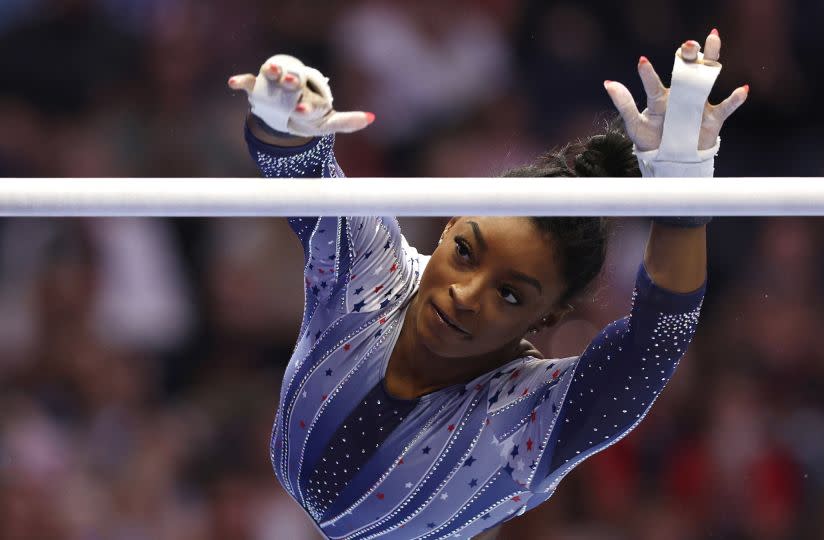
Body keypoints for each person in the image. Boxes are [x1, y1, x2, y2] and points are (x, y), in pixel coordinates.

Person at [227, 30, 746, 540]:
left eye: (511, 294)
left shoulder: (530, 414)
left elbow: (653, 345)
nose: (467, 295)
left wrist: (683, 196)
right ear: (449, 225)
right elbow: (300, 168)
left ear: (546, 318)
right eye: (466, 253)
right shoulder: (371, 272)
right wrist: (282, 118)